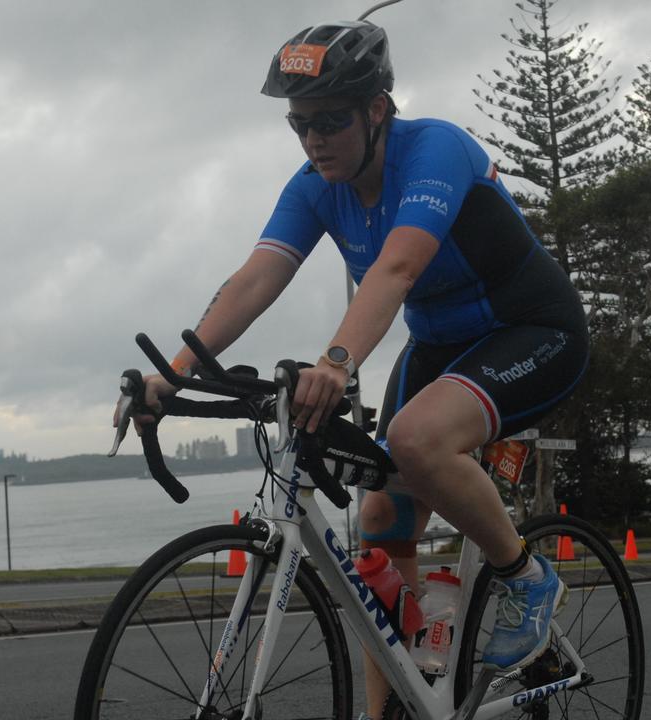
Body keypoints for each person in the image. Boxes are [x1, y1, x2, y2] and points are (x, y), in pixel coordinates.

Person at [120, 19, 589, 720]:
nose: (313, 140)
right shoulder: (315, 184)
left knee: (418, 439)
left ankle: (523, 577)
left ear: (376, 109)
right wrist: (175, 374)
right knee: (378, 520)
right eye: (298, 124)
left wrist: (337, 361)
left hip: (530, 330)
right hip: (440, 348)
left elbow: (398, 266)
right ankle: (398, 707)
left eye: (329, 122)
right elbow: (253, 281)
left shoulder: (434, 149)